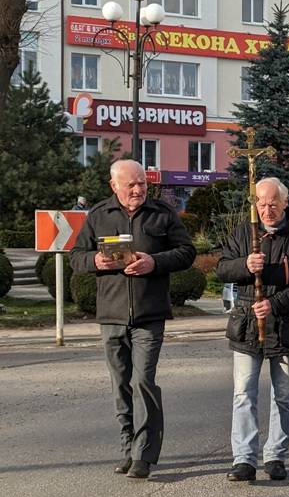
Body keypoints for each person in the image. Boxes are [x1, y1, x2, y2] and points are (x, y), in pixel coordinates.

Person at [70, 159, 196, 479]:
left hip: (149, 314)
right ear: (114, 186)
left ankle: (144, 454)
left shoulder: (162, 213)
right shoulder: (98, 215)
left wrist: (154, 262)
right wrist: (95, 260)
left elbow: (186, 252)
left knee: (143, 381)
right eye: (131, 184)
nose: (139, 189)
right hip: (111, 315)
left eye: (142, 183)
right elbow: (76, 256)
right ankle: (127, 447)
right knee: (120, 385)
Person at [216, 178, 289, 482]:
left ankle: (275, 455)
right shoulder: (242, 233)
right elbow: (222, 268)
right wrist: (245, 265)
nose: (267, 209)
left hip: (286, 326)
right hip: (247, 326)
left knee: (284, 396)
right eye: (261, 203)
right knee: (243, 394)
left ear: (285, 202)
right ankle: (244, 459)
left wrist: (275, 304)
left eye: (273, 203)